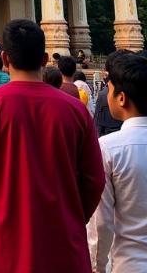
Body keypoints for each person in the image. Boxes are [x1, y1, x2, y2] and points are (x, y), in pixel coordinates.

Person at [0, 19, 105, 272]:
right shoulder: (75, 109)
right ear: (45, 58)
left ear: (4, 58)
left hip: (5, 237)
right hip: (63, 239)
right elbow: (94, 178)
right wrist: (72, 216)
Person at [87, 52, 147, 272]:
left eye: (109, 90)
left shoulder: (108, 148)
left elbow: (101, 224)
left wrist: (96, 267)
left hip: (130, 263)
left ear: (122, 98)